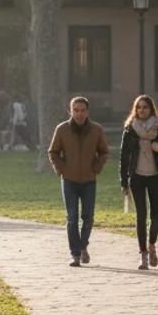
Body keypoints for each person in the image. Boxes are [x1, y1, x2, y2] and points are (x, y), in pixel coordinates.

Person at [48, 97, 110, 267]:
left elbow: (104, 152)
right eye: (75, 110)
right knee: (72, 217)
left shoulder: (96, 130)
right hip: (69, 180)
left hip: (89, 180)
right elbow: (53, 152)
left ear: (87, 112)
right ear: (70, 111)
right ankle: (75, 254)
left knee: (88, 217)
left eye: (82, 110)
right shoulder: (62, 129)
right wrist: (61, 169)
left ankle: (83, 246)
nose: (79, 113)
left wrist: (96, 168)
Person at [117, 95, 158, 271]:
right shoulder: (130, 129)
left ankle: (152, 245)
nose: (142, 110)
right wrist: (123, 181)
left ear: (151, 109)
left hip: (156, 176)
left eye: (145, 107)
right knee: (141, 216)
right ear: (135, 110)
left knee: (156, 214)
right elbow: (123, 157)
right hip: (137, 176)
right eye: (139, 107)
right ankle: (142, 254)